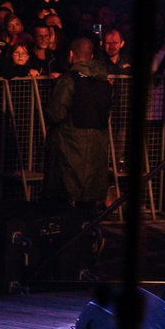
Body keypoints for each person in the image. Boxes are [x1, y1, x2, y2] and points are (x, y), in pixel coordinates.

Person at [46, 36, 116, 209]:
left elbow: (55, 113)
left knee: (65, 195)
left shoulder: (68, 79)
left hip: (69, 144)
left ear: (71, 54)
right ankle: (90, 225)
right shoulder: (104, 81)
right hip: (98, 145)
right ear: (91, 56)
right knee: (89, 198)